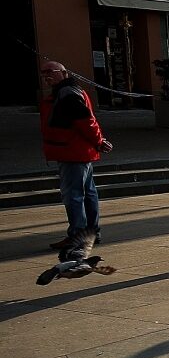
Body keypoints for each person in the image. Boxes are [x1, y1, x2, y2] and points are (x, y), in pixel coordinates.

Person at [39, 61, 111, 250]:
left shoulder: (67, 93)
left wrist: (99, 141)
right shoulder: (66, 91)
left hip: (72, 152)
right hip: (76, 151)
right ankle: (91, 233)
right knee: (87, 193)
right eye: (43, 73)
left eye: (50, 72)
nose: (46, 76)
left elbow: (86, 121)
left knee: (74, 195)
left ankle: (79, 236)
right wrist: (98, 141)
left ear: (63, 73)